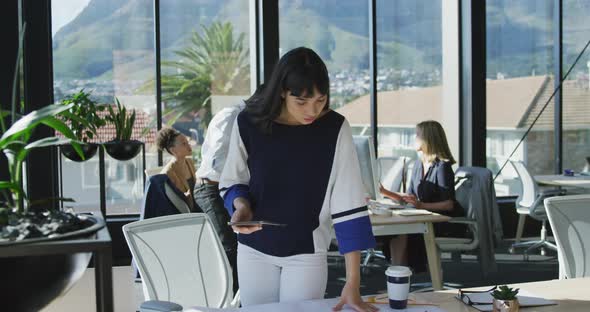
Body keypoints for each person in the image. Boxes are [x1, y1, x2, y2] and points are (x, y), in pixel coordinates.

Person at [219, 47, 378, 312]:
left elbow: (348, 205)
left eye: (320, 100)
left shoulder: (335, 128)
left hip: (306, 252)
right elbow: (233, 180)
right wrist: (241, 205)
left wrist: (353, 282)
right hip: (253, 250)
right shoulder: (249, 122)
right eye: (302, 102)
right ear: (282, 91)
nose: (312, 111)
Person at [379, 120, 465, 271]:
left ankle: (400, 276)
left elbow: (448, 204)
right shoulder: (419, 164)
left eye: (417, 135)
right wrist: (384, 192)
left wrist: (421, 205)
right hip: (425, 216)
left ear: (428, 139)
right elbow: (410, 197)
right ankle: (399, 275)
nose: (414, 138)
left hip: (443, 222)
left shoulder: (442, 167)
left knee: (402, 229)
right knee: (397, 228)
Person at [194, 100, 246, 294]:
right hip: (210, 189)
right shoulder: (232, 115)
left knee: (241, 244)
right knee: (230, 247)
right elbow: (217, 161)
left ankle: (240, 296)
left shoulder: (239, 116)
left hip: (221, 187)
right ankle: (232, 298)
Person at [156, 127, 197, 211]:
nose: (189, 146)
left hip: (197, 205)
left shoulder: (189, 162)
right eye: (184, 144)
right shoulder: (167, 173)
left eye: (188, 142)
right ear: (173, 150)